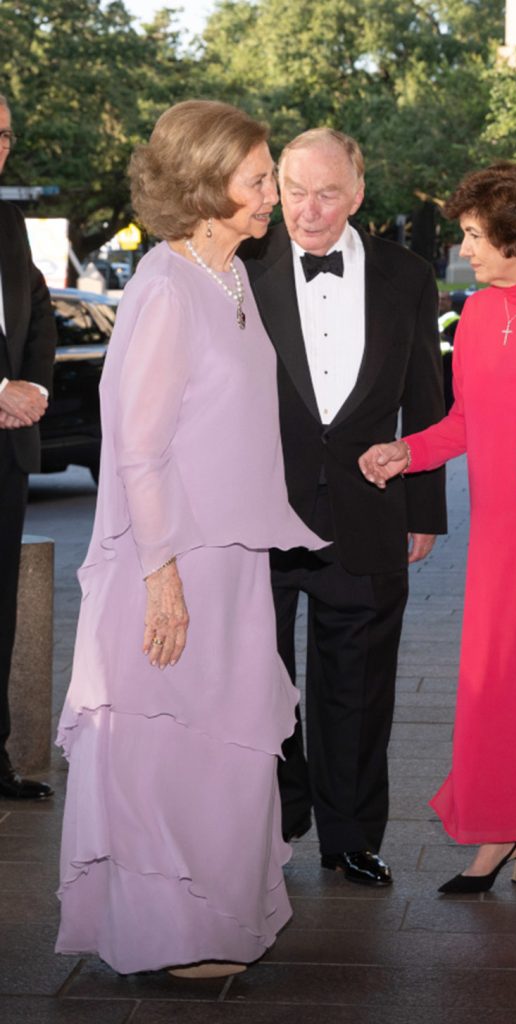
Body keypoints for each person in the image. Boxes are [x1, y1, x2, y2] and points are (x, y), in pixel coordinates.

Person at [55, 100, 324, 977]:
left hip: (235, 560)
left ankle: (218, 916)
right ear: (207, 186)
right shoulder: (165, 288)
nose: (270, 197)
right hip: (174, 560)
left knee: (230, 738)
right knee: (167, 743)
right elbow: (137, 447)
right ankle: (169, 932)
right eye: (256, 180)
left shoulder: (231, 276)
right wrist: (162, 575)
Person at [359, 162, 516, 894]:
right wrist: (406, 452)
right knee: (493, 687)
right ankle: (501, 833)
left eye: (473, 235)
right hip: (498, 538)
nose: (463, 248)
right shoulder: (469, 313)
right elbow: (463, 421)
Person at [241, 128, 447, 887]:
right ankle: (275, 808)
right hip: (256, 512)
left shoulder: (407, 274)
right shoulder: (241, 263)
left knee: (358, 685)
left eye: (327, 193)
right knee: (254, 676)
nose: (308, 209)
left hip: (366, 513)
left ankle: (351, 835)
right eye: (293, 190)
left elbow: (427, 396)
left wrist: (423, 506)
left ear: (358, 195)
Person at [0, 94, 57, 802]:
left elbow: (37, 312)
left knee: (2, 611)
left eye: (8, 132)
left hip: (8, 452)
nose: (1, 145)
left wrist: (33, 388)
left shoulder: (9, 220)